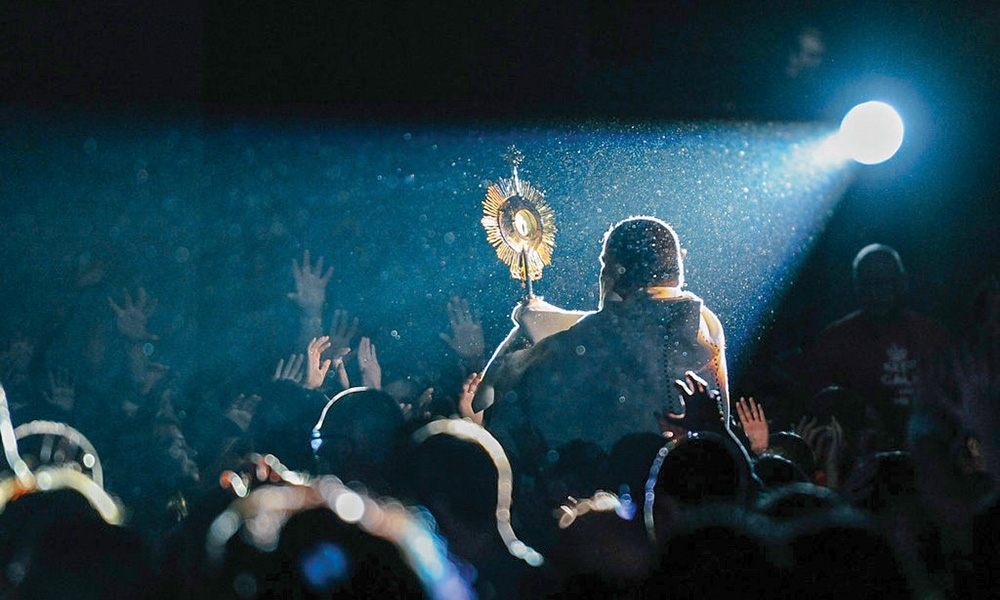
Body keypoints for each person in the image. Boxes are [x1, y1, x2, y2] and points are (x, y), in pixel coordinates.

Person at [478, 216, 734, 457]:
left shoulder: (596, 336)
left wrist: (527, 326)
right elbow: (626, 319)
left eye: (604, 265)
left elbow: (497, 388)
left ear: (615, 270)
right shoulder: (706, 324)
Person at [810, 244, 950, 451]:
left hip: (929, 451)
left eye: (884, 283)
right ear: (857, 287)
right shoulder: (835, 339)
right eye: (868, 285)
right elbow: (822, 401)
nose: (876, 294)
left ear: (902, 283)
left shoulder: (932, 335)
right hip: (859, 454)